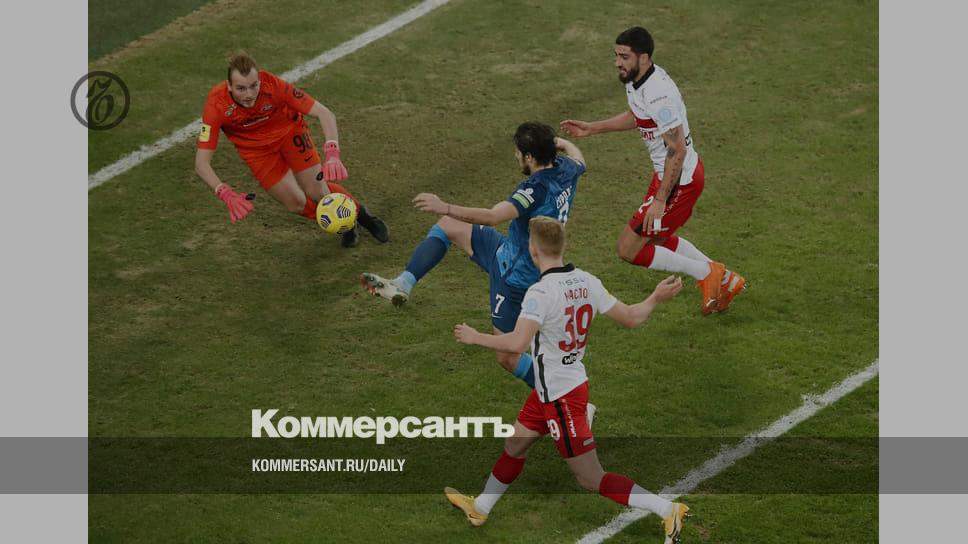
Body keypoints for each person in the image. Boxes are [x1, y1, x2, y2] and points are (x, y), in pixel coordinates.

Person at [446, 217, 690, 543]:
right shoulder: (587, 281)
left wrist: (476, 337)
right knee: (515, 444)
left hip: (561, 398)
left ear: (533, 250)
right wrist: (655, 297)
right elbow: (631, 317)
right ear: (563, 246)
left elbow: (517, 343)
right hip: (555, 387)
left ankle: (667, 510)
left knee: (590, 478)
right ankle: (481, 508)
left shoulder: (540, 293)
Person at [361, 122, 585, 388]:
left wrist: (444, 206)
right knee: (449, 226)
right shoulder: (567, 169)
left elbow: (492, 216)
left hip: (515, 277)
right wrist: (560, 142)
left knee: (507, 356)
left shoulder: (535, 190)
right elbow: (578, 157)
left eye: (518, 152)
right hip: (512, 253)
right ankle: (404, 284)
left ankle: (565, 395)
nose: (515, 156)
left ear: (529, 157)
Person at [560, 26, 745, 314]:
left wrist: (660, 200)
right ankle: (725, 279)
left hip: (678, 182)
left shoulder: (659, 94)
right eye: (616, 55)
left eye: (624, 56)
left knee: (628, 249)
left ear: (644, 57)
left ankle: (708, 273)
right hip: (667, 176)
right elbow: (639, 115)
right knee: (656, 239)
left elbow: (677, 149)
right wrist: (593, 128)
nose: (617, 62)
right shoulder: (637, 81)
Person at [194, 52, 388, 248]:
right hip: (256, 152)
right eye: (241, 88)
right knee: (295, 203)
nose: (249, 94)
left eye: (253, 86)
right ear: (229, 86)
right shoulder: (216, 105)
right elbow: (201, 164)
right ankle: (344, 223)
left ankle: (361, 216)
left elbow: (324, 113)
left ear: (260, 80)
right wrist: (224, 193)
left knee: (317, 190)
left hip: (289, 133)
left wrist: (332, 154)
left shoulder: (273, 86)